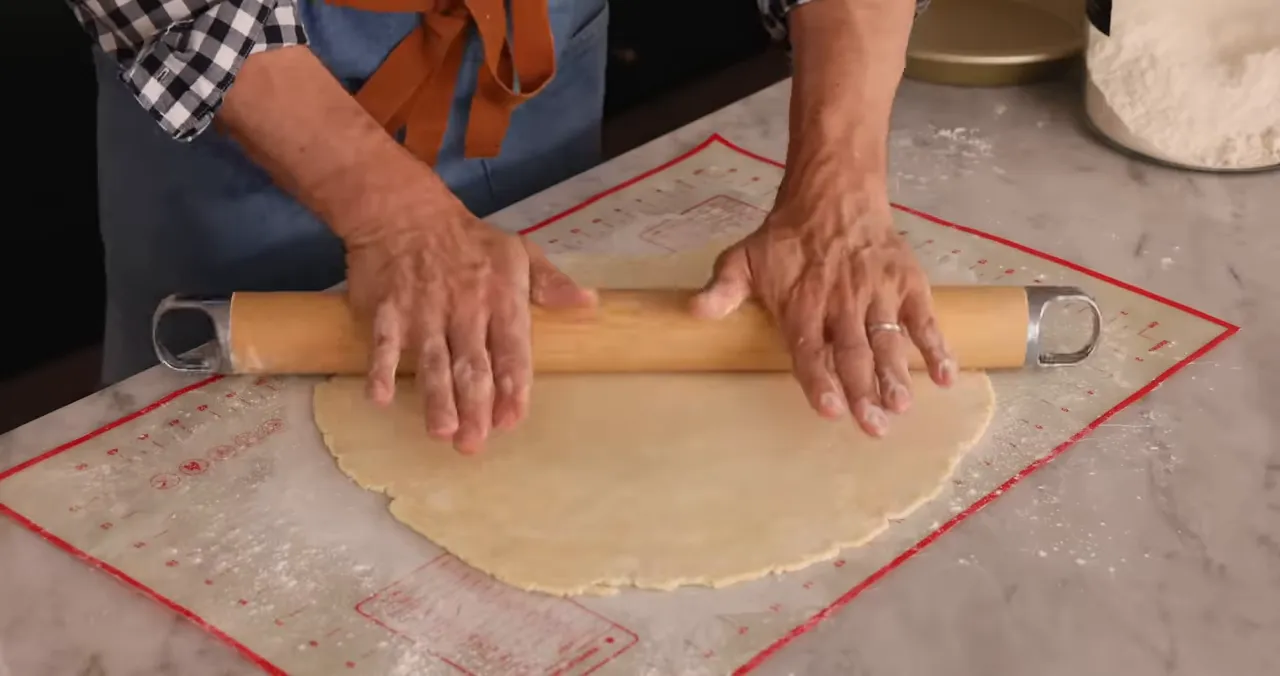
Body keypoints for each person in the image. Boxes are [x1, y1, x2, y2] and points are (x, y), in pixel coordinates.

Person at [68, 0, 955, 453]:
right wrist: (394, 218)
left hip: (535, 73)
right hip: (249, 100)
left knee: (536, 416)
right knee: (215, 460)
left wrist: (837, 187)